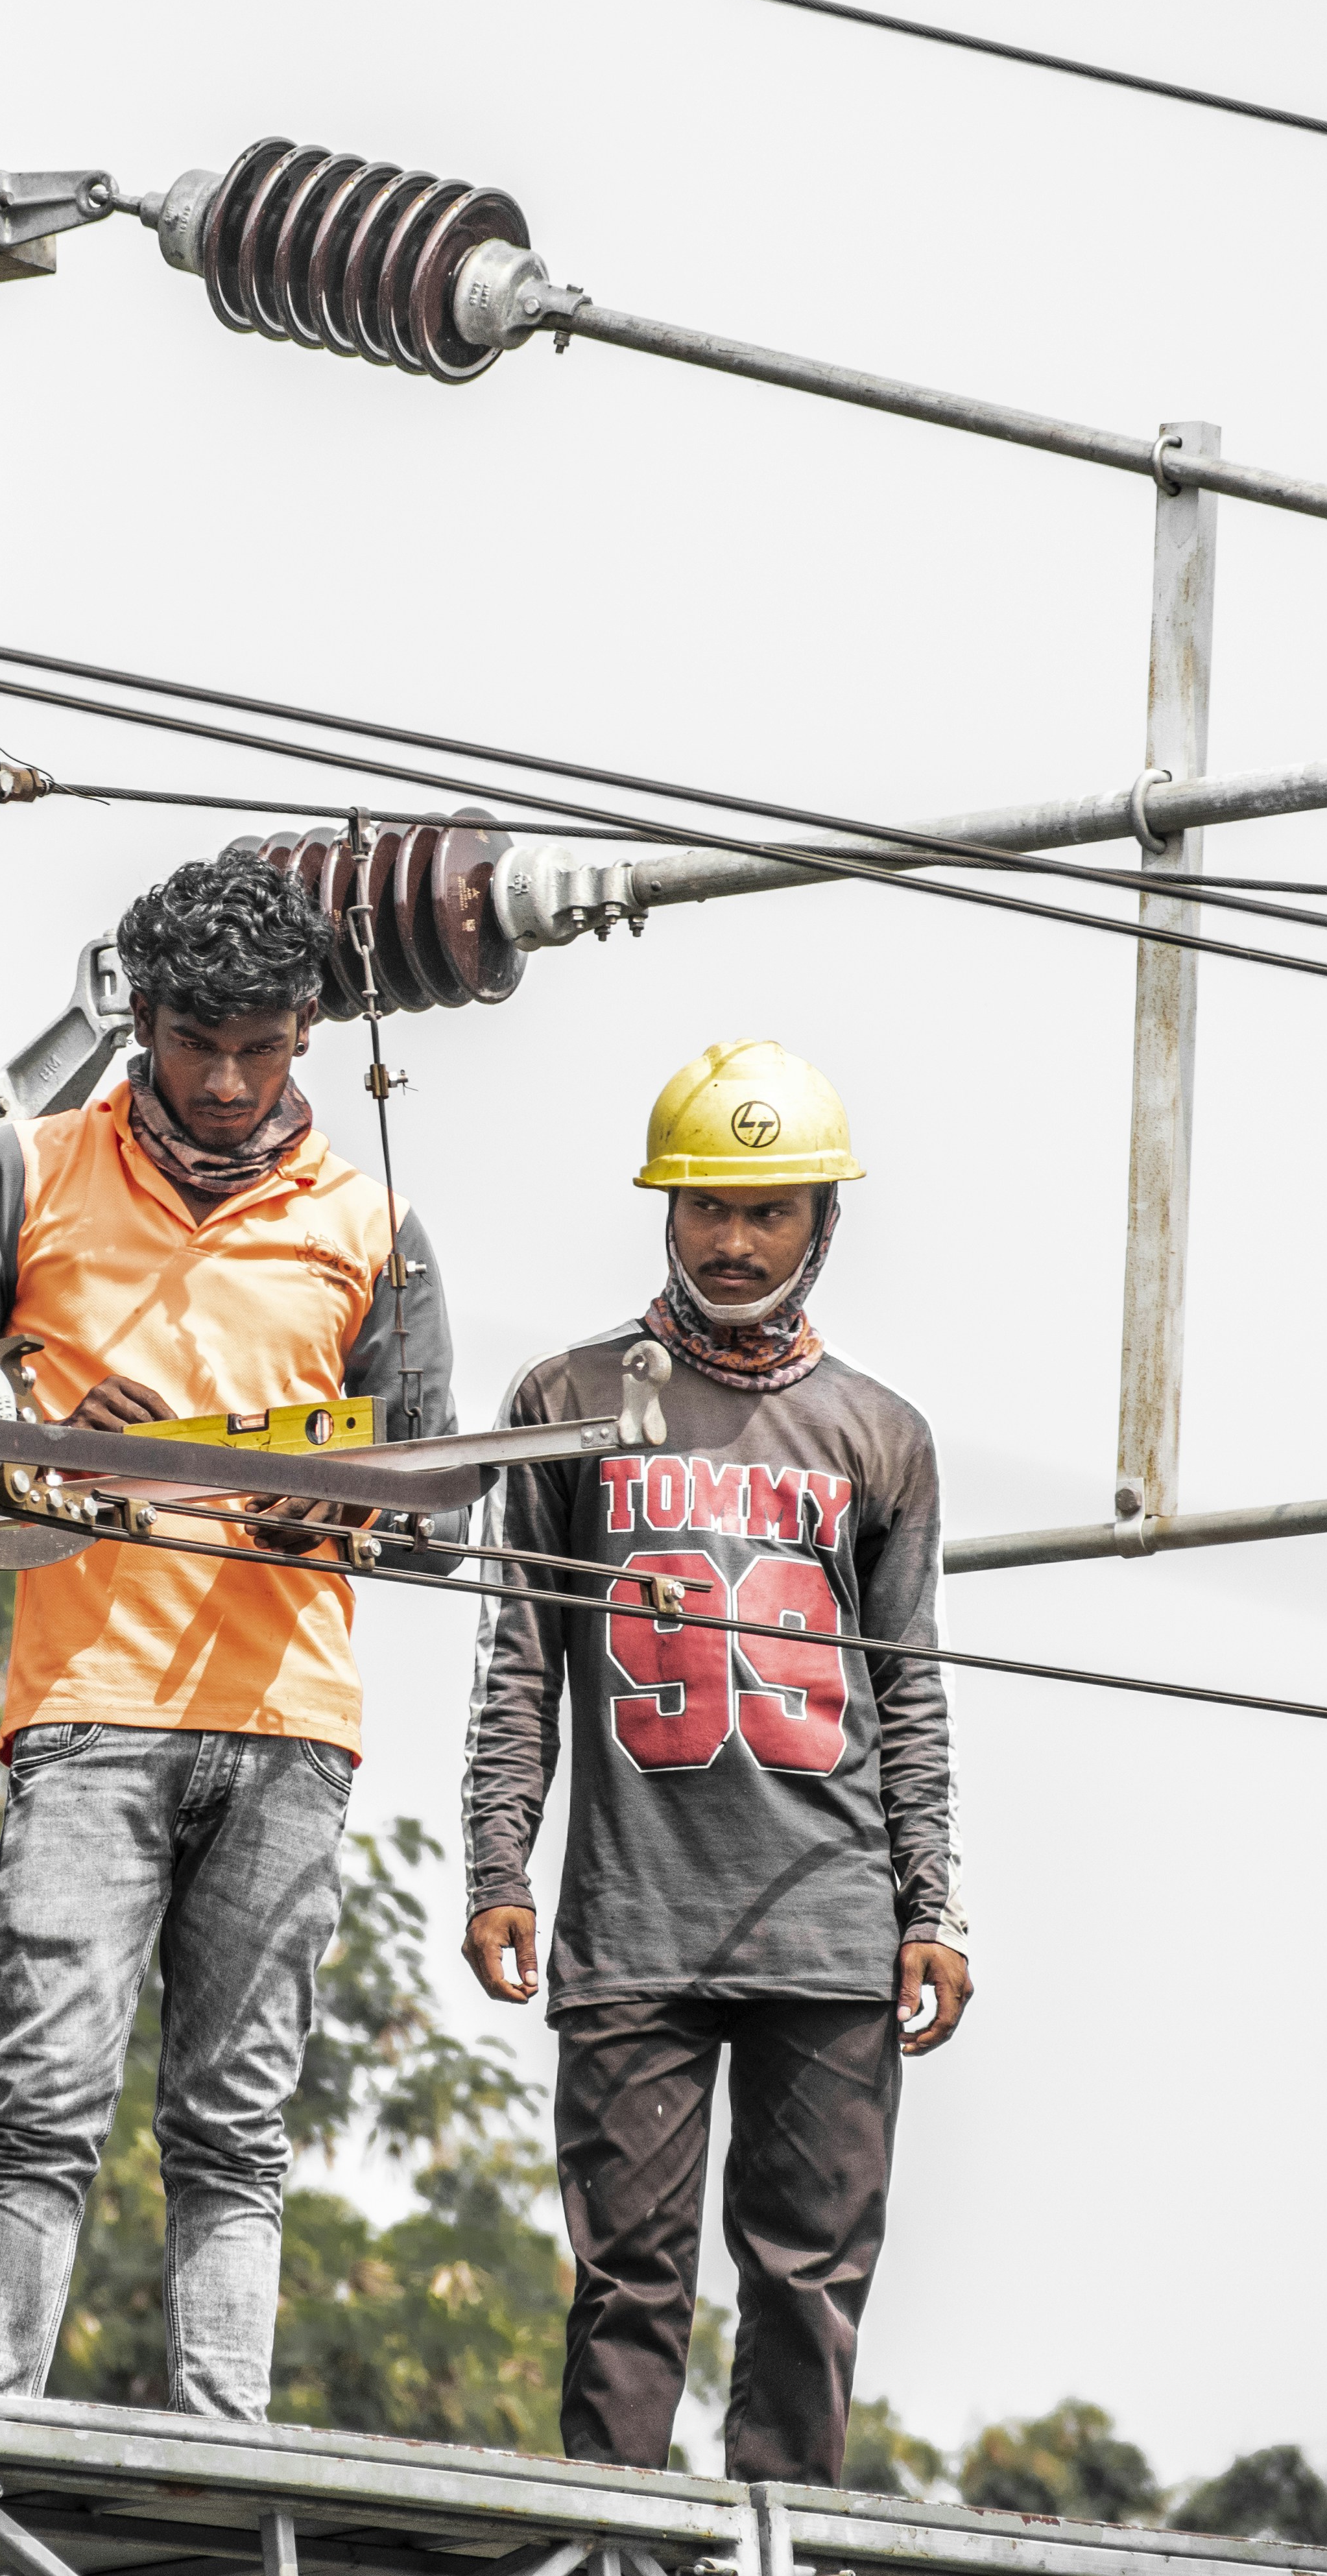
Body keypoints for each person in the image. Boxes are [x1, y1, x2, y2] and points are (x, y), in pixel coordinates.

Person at [0, 844, 458, 2418]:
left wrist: (339, 1503)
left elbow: (435, 1498)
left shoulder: (370, 1224)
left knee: (235, 2123)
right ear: (138, 1019)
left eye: (258, 1047)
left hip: (288, 1721)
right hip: (88, 1702)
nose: (223, 1082)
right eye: (193, 1043)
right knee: (44, 2101)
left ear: (306, 1036)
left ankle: (224, 2441)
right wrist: (33, 1425)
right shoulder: (23, 1171)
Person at [461, 1038, 969, 2483]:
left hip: (827, 1920)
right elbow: (518, 1656)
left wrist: (928, 1904)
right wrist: (497, 1860)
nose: (731, 1242)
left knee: (806, 2280)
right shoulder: (567, 1396)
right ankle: (614, 2538)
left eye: (766, 1212)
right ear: (664, 1212)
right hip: (634, 1921)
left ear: (820, 1222)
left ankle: (780, 2539)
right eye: (703, 1208)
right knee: (626, 2281)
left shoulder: (880, 1434)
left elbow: (909, 1691)